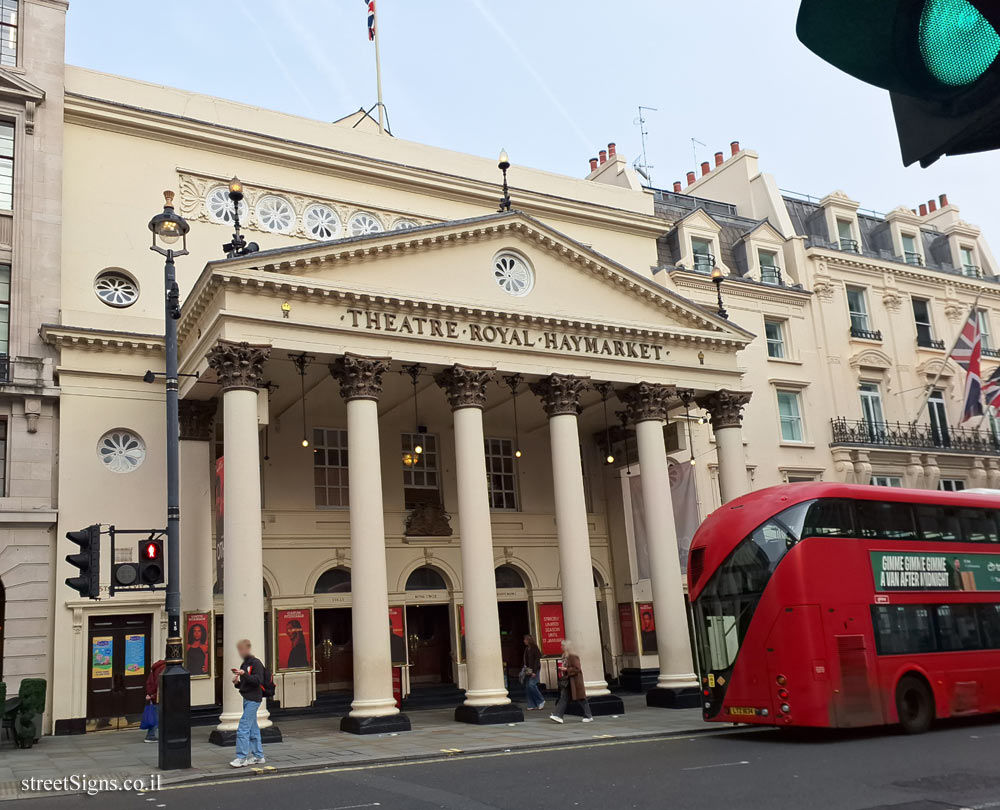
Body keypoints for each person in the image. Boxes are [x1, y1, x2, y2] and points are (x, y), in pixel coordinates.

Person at [230, 639, 265, 768]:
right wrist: (237, 683)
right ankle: (258, 756)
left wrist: (244, 674)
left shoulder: (256, 663)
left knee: (243, 727)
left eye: (242, 649)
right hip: (247, 698)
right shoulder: (245, 664)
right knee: (253, 728)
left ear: (248, 649)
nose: (240, 651)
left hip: (254, 699)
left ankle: (241, 757)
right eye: (239, 649)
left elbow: (258, 680)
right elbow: (246, 684)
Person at [549, 640, 593, 724]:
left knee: (581, 698)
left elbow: (577, 668)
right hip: (568, 681)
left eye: (562, 645)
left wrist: (566, 669)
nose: (561, 647)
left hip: (575, 681)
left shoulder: (573, 656)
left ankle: (588, 715)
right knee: (564, 697)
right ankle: (558, 715)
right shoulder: (565, 656)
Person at [143, 659, 166, 742]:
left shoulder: (156, 668)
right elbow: (159, 685)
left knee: (155, 716)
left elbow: (149, 682)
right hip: (158, 697)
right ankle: (151, 735)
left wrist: (150, 694)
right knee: (156, 717)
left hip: (154, 696)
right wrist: (154, 695)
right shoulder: (164, 668)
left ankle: (152, 735)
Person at [522, 634, 545, 711]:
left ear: (529, 640)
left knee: (532, 685)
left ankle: (540, 700)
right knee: (528, 687)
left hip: (534, 670)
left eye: (525, 640)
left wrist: (534, 671)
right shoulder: (527, 649)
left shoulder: (535, 648)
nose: (524, 641)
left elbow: (537, 660)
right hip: (528, 670)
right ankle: (531, 704)